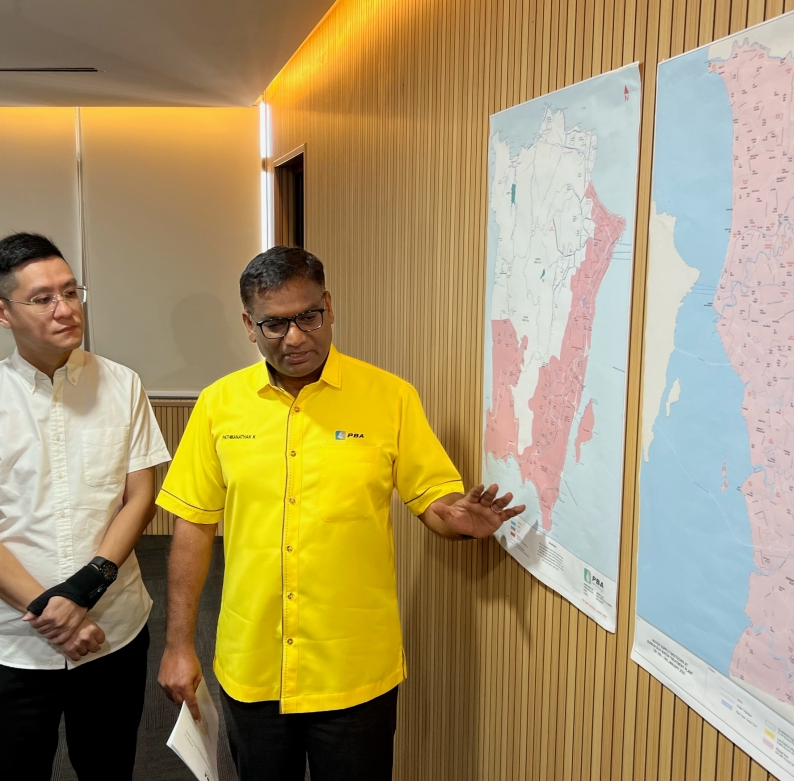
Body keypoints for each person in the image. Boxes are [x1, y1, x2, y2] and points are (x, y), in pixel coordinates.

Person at [157, 246, 524, 781]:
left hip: (355, 670)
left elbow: (435, 502)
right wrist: (177, 647)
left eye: (308, 316)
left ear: (328, 307)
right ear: (248, 325)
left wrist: (458, 522)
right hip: (253, 665)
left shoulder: (390, 398)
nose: (296, 337)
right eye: (275, 324)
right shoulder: (218, 405)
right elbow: (193, 526)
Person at [0, 233, 170, 781]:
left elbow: (140, 497)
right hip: (12, 641)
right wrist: (54, 614)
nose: (65, 309)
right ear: (1, 311)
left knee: (109, 769)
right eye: (42, 298)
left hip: (112, 628)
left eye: (71, 291)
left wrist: (84, 590)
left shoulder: (123, 383)